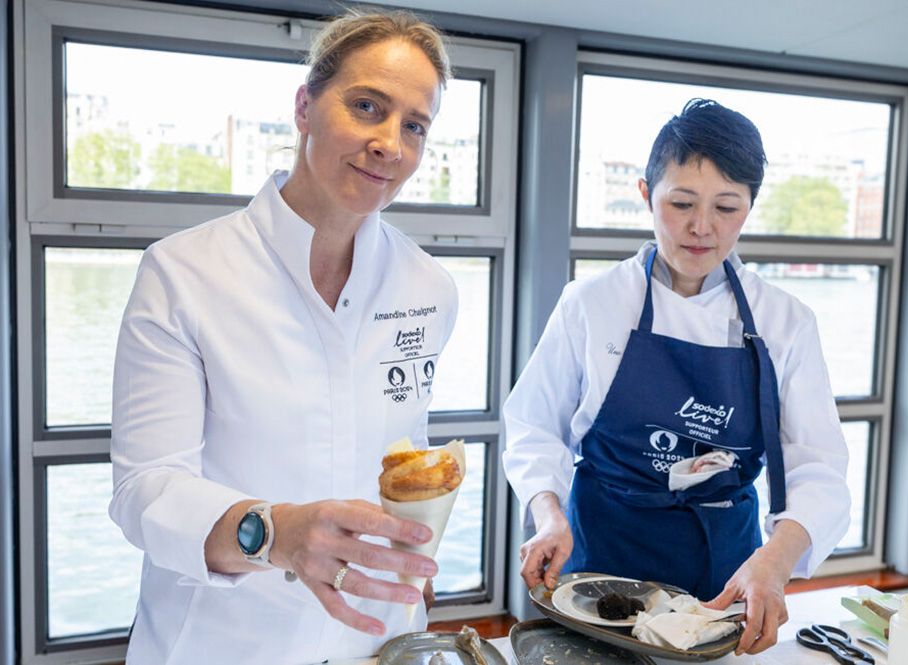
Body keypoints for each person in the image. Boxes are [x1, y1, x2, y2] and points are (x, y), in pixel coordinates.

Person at [109, 10, 458, 663]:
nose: (390, 143)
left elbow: (400, 455)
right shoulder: (184, 274)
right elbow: (144, 489)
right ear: (304, 107)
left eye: (414, 125)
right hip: (224, 640)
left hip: (377, 637)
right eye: (366, 106)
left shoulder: (428, 288)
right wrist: (275, 530)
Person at [503, 99, 850, 657]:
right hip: (601, 554)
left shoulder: (785, 323)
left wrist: (776, 561)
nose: (701, 228)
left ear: (750, 207)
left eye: (727, 208)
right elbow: (532, 426)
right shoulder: (592, 304)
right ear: (645, 195)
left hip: (726, 567)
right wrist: (547, 515)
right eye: (681, 202)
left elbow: (819, 467)